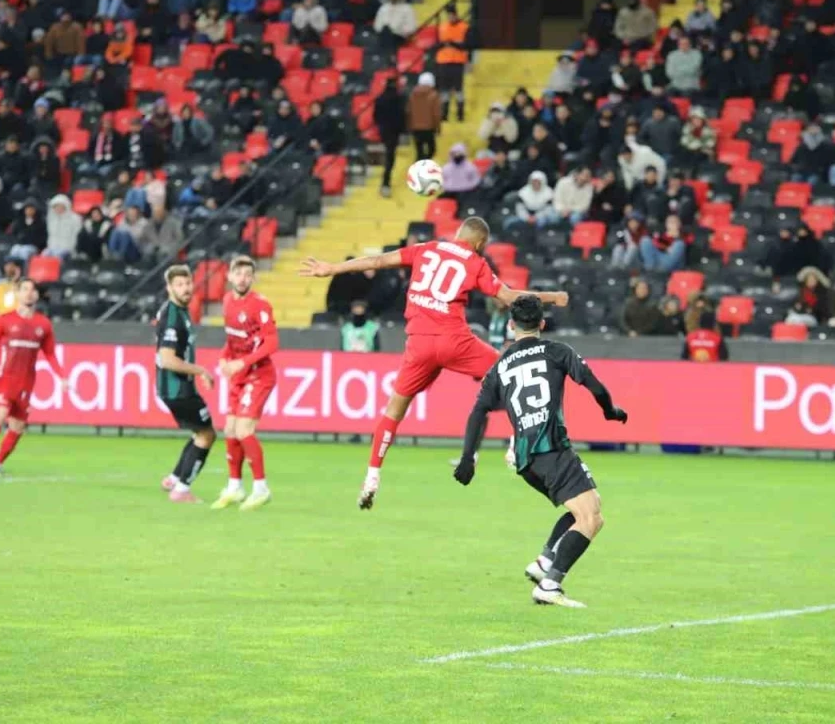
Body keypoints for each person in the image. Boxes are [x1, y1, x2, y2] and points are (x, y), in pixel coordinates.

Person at [299, 217, 569, 510]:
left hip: (420, 345)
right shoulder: (475, 262)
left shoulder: (424, 249)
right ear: (480, 243)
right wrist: (553, 297)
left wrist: (332, 268)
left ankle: (371, 476)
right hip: (455, 341)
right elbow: (508, 298)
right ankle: (516, 445)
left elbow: (377, 261)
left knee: (393, 411)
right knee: (516, 373)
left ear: (459, 233)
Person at [453, 294, 627, 608]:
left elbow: (478, 412)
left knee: (586, 507)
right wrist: (610, 411)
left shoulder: (500, 366)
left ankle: (545, 561)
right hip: (551, 448)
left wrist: (468, 457)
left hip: (524, 459)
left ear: (511, 325)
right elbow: (594, 385)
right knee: (591, 518)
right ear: (542, 324)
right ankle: (550, 584)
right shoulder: (557, 351)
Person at [0, 278, 65, 481]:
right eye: (24, 289)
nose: (29, 293)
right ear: (17, 293)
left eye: (32, 290)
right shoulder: (4, 320)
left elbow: (50, 354)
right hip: (4, 380)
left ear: (37, 295)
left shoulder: (43, 324)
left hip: (26, 383)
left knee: (17, 428)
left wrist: (61, 376)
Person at [210, 256, 276, 512]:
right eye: (238, 274)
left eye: (248, 274)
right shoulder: (227, 301)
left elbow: (272, 343)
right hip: (239, 375)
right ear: (229, 276)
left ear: (253, 278)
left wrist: (242, 362)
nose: (243, 279)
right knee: (230, 430)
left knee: (244, 430)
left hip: (259, 374)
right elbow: (233, 339)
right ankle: (234, 487)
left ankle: (261, 488)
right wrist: (224, 358)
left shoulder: (260, 304)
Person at [155, 265, 218, 504]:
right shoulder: (173, 316)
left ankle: (173, 479)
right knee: (207, 435)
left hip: (177, 388)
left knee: (199, 432)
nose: (186, 289)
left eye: (188, 283)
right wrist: (200, 370)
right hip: (178, 389)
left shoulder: (179, 311)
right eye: (179, 285)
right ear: (169, 288)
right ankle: (181, 490)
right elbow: (167, 359)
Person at [435, 5, 469, 122]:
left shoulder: (464, 27)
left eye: (452, 14)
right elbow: (438, 43)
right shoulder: (442, 27)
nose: (450, 17)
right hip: (443, 61)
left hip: (457, 61)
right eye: (448, 14)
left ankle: (460, 113)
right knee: (445, 89)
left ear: (456, 14)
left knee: (458, 89)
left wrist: (452, 43)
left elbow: (466, 44)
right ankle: (444, 114)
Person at [374, 76, 406, 196]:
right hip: (394, 130)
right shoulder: (399, 98)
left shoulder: (380, 98)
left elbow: (375, 116)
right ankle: (386, 181)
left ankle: (385, 181)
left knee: (388, 153)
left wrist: (380, 125)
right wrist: (403, 129)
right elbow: (403, 115)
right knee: (390, 155)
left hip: (384, 130)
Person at [407, 71, 442, 164]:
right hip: (429, 128)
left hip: (415, 128)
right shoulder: (434, 95)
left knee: (419, 151)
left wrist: (409, 126)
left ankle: (419, 166)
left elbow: (409, 111)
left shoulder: (413, 95)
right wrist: (438, 128)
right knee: (432, 150)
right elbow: (436, 114)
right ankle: (425, 163)